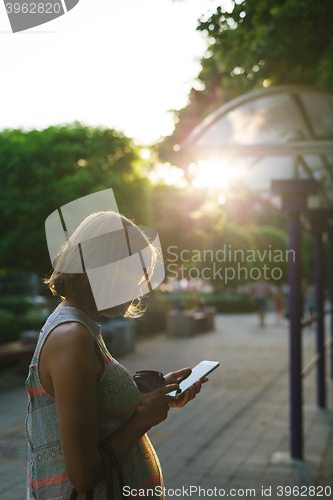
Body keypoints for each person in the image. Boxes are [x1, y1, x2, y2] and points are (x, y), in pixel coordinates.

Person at [25, 211, 205, 500]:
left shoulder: (83, 327)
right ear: (103, 269)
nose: (140, 289)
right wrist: (145, 416)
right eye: (134, 275)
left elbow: (97, 410)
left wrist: (153, 396)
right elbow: (83, 475)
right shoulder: (71, 338)